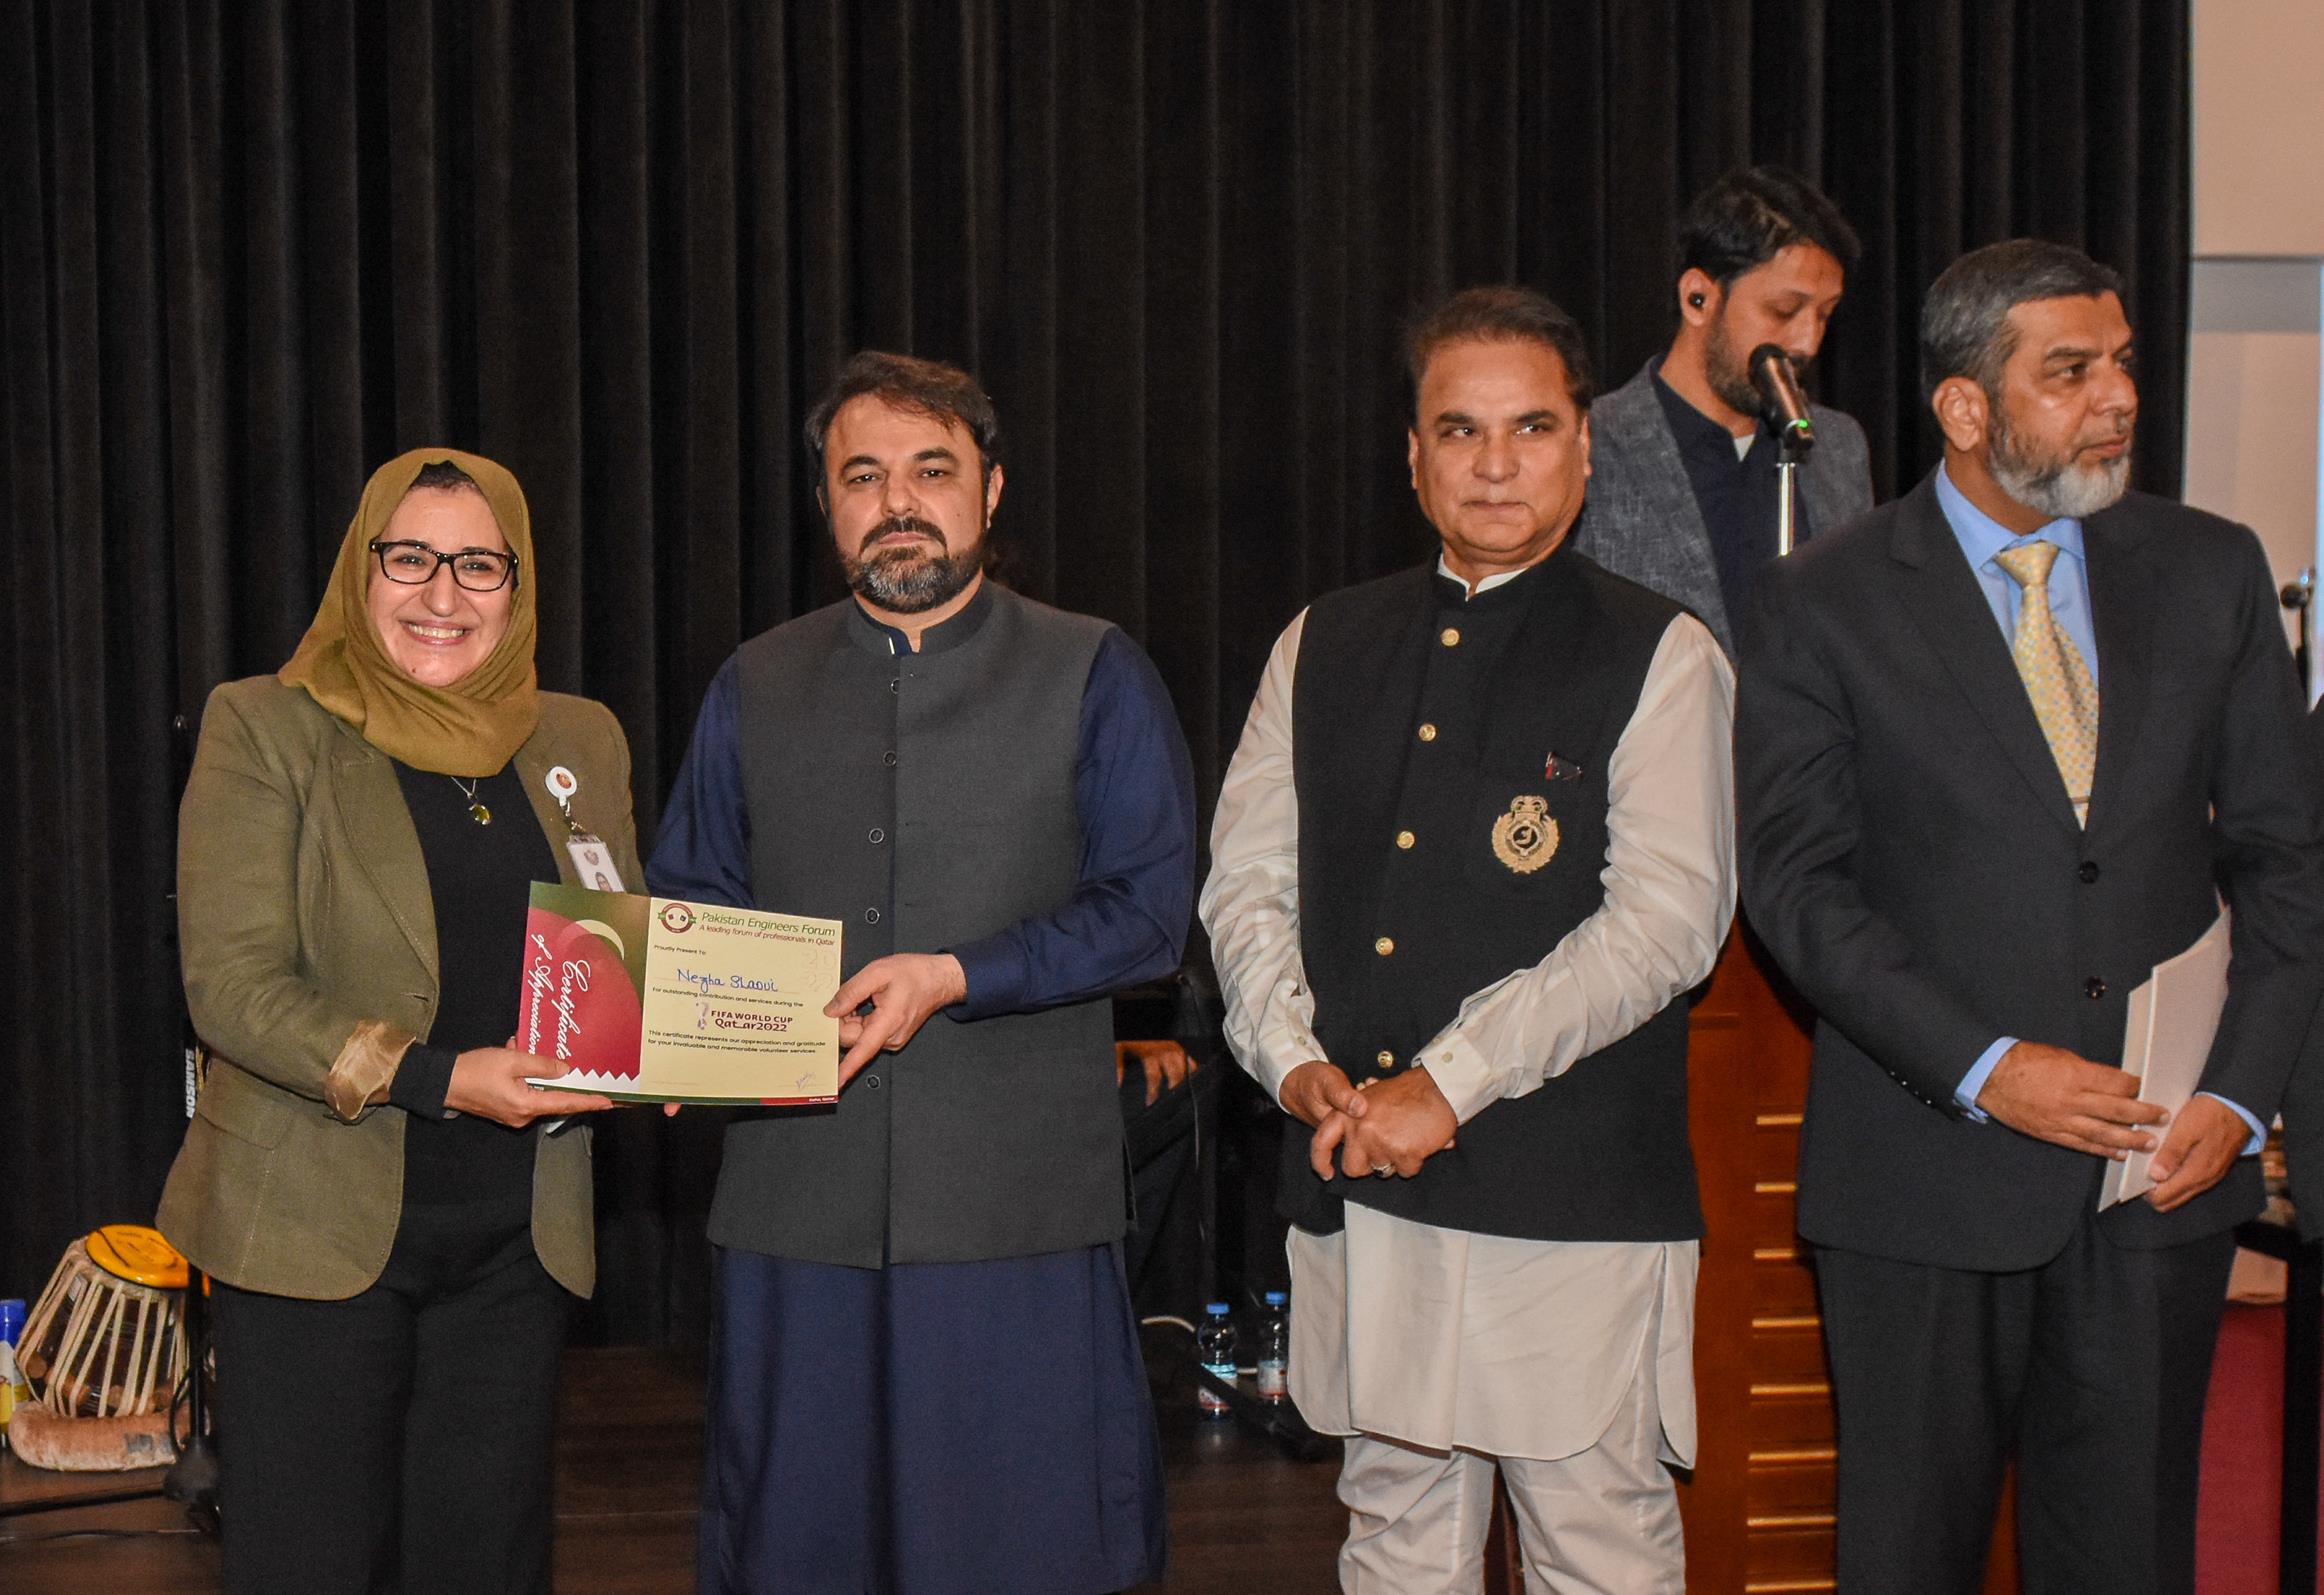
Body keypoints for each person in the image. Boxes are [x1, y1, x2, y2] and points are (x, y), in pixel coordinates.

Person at [1736, 239, 2324, 1595]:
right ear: (1963, 404)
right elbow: (1797, 886)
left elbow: (2289, 864)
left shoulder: (2210, 567)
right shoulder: (1823, 596)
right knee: (1907, 1560)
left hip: (2159, 1178)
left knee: (2125, 1559)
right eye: (2068, 372)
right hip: (1920, 1174)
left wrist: (2237, 1097)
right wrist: (1989, 1066)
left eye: (2119, 362)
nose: (2116, 397)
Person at [1202, 285, 1736, 1593]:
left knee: (1594, 1548)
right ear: (1413, 454)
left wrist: (1447, 1081)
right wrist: (1290, 1058)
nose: (1495, 462)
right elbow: (1244, 886)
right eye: (1460, 429)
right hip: (1358, 1179)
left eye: (1531, 427)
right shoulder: (1321, 642)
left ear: (1583, 445)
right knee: (1393, 1533)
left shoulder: (1661, 653)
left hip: (1570, 1197)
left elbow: (1666, 924)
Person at [649, 350, 1197, 1595]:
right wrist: (677, 1030)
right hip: (798, 1207)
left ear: (990, 491)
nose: (897, 501)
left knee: (1025, 1550)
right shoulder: (753, 681)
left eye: (930, 470)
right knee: (796, 1549)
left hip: (1017, 1211)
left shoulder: (1093, 668)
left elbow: (1145, 915)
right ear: (827, 504)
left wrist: (956, 972)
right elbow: (690, 897)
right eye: (863, 476)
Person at [157, 448, 640, 1594]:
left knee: (486, 1562)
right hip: (311, 1230)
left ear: (518, 587)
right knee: (312, 1564)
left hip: (515, 1245)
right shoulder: (265, 725)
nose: (441, 593)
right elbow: (232, 986)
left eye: (478, 564)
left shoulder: (580, 738)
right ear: (359, 570)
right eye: (409, 557)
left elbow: (614, 949)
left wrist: (669, 1047)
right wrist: (438, 1075)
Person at [1572, 165, 1871, 653]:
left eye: (1824, 314)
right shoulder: (1592, 443)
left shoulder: (1838, 446)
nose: (1807, 341)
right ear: (1698, 297)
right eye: (1783, 310)